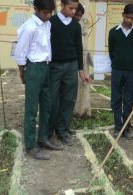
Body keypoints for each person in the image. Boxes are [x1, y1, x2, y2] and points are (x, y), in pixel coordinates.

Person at [13, 0, 62, 160]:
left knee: (47, 105)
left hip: (46, 67)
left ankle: (43, 139)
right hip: (33, 68)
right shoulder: (29, 27)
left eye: (50, 13)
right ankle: (30, 145)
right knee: (32, 109)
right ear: (35, 9)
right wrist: (23, 74)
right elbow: (20, 53)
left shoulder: (47, 24)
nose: (48, 16)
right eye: (44, 13)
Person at [49, 0, 91, 146]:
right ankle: (49, 131)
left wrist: (81, 70)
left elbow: (79, 48)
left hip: (72, 66)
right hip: (54, 66)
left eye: (75, 9)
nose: (73, 12)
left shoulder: (75, 26)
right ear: (62, 5)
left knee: (69, 99)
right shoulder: (51, 22)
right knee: (53, 99)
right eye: (70, 8)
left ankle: (63, 130)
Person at [108, 3, 133, 139]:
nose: (128, 20)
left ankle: (126, 128)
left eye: (132, 18)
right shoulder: (113, 32)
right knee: (116, 99)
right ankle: (118, 127)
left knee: (128, 100)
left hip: (132, 72)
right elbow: (111, 52)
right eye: (127, 17)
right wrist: (117, 63)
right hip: (117, 70)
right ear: (123, 15)